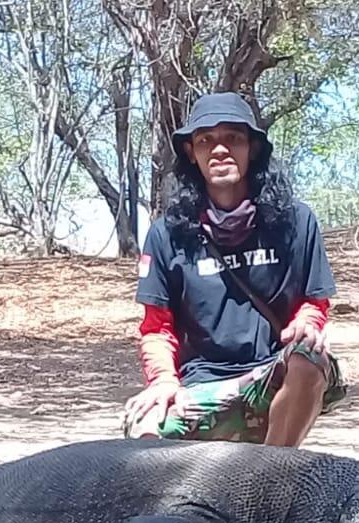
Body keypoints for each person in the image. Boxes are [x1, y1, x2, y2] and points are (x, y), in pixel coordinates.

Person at [123, 92, 347, 446]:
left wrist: (305, 325)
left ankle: (272, 473)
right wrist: (164, 380)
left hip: (272, 379)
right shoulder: (166, 235)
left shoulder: (297, 221)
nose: (220, 149)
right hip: (202, 388)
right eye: (205, 140)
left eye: (233, 138)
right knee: (143, 427)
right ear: (191, 153)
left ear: (252, 148)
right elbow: (157, 327)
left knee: (309, 357)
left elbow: (314, 302)